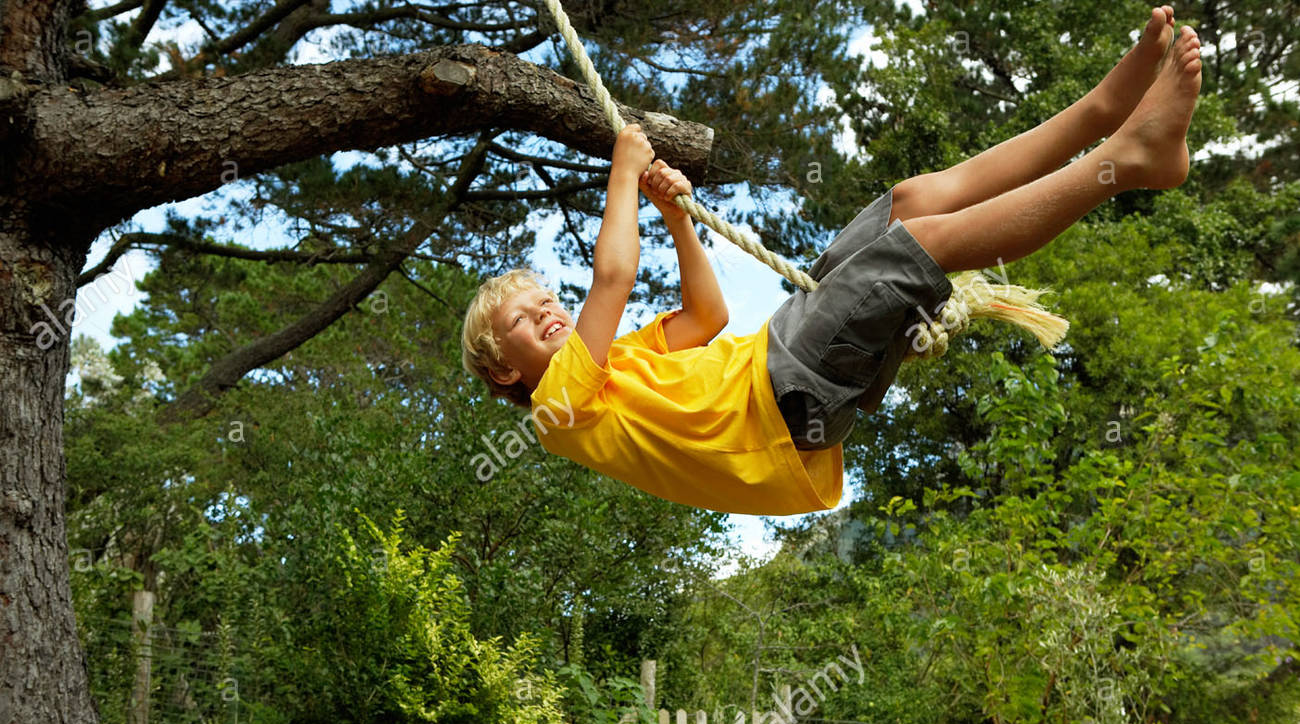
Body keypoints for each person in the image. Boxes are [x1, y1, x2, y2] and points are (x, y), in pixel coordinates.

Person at [461, 8, 1201, 515]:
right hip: (783, 405)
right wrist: (624, 167)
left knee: (909, 204)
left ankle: (1099, 112)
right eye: (526, 323)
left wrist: (674, 219)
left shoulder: (620, 369)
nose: (548, 314)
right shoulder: (561, 410)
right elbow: (614, 279)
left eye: (542, 302)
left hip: (779, 370)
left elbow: (706, 318)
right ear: (504, 371)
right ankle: (1129, 158)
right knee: (926, 247)